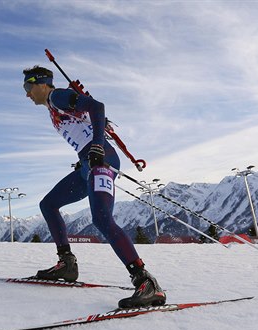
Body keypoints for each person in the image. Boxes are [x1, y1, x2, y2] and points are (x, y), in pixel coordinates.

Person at [22, 65, 166, 308]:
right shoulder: (53, 106)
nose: (26, 94)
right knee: (48, 204)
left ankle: (146, 282)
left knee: (101, 219)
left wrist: (98, 145)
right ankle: (66, 264)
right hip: (87, 163)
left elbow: (97, 107)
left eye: (28, 87)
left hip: (102, 159)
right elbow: (89, 114)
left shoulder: (56, 97)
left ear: (41, 83)